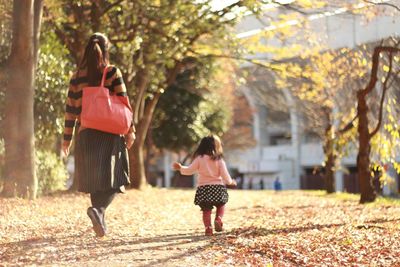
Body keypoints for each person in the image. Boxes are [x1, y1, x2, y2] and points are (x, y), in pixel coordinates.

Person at [62, 33, 135, 237]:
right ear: (106, 49)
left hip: (86, 135)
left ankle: (99, 220)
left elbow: (70, 110)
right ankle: (99, 211)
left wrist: (66, 139)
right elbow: (124, 102)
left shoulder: (77, 77)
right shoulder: (111, 72)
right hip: (110, 134)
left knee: (95, 181)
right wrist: (131, 130)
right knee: (117, 177)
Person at [172, 135, 237, 236]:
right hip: (218, 188)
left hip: (204, 189)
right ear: (216, 147)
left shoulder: (200, 159)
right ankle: (218, 219)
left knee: (206, 210)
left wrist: (181, 168)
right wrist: (230, 182)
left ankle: (208, 228)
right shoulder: (219, 160)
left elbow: (190, 170)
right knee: (221, 204)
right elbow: (225, 175)